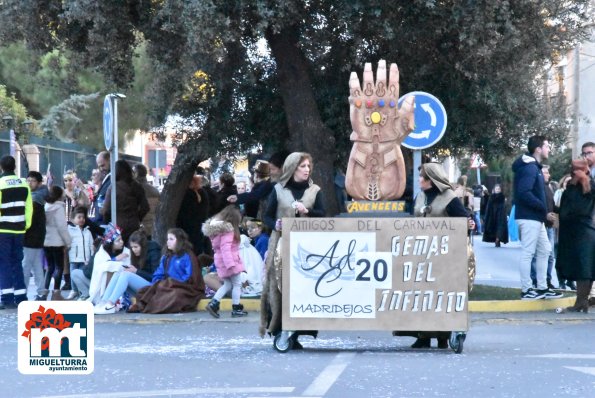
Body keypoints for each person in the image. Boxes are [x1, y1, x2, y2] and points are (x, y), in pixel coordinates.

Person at [394, 162, 475, 349]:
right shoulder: (420, 196)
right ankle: (423, 335)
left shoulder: (449, 198)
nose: (419, 180)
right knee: (421, 294)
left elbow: (462, 220)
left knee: (440, 295)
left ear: (431, 179)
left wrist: (468, 224)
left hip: (444, 256)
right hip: (420, 253)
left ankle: (442, 336)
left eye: (422, 177)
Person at [259, 152, 325, 345]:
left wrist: (308, 212)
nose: (306, 170)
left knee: (304, 288)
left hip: (307, 246)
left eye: (308, 166)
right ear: (292, 168)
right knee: (280, 287)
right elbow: (267, 216)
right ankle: (279, 330)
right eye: (302, 166)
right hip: (281, 244)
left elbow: (323, 214)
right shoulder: (278, 190)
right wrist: (276, 224)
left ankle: (297, 332)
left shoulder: (315, 190)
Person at [512, 135, 561, 300]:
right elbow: (523, 193)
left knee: (545, 250)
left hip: (535, 217)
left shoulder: (534, 167)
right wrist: (542, 207)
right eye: (546, 146)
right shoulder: (530, 168)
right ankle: (526, 290)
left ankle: (542, 287)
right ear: (538, 149)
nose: (549, 149)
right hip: (529, 217)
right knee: (528, 252)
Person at [128, 228, 205, 314]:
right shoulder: (166, 257)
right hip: (166, 286)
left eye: (171, 239)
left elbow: (190, 276)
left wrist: (173, 283)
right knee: (143, 291)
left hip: (184, 287)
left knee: (175, 295)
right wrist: (159, 283)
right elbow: (158, 273)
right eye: (168, 239)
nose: (168, 241)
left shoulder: (187, 256)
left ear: (179, 241)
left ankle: (148, 307)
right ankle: (144, 305)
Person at [555, 159, 595, 312]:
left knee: (584, 267)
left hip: (582, 231)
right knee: (584, 267)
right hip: (579, 231)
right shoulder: (575, 187)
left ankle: (581, 302)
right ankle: (582, 302)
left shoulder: (586, 187)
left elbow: (571, 208)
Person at [94, 230, 162, 314]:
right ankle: (103, 302)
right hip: (143, 288)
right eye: (132, 247)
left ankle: (110, 304)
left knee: (126, 275)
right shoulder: (136, 254)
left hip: (153, 288)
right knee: (118, 272)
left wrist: (136, 271)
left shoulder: (154, 252)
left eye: (136, 247)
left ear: (143, 246)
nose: (133, 250)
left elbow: (155, 277)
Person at [203, 205, 249, 318]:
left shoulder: (216, 230)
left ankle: (214, 303)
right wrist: (231, 264)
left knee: (228, 284)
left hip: (220, 261)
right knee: (237, 284)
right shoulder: (228, 231)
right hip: (229, 261)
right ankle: (236, 308)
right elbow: (226, 248)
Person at [0, 156, 33, 309]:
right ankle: (21, 295)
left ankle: (7, 297)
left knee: (4, 263)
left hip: (3, 230)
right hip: (19, 229)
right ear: (14, 167)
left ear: (1, 167)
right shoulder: (24, 184)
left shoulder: (0, 184)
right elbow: (29, 208)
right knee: (17, 262)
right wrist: (25, 225)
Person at [102, 160, 150, 244]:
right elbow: (145, 207)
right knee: (133, 250)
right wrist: (137, 218)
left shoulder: (113, 187)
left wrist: (107, 221)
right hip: (134, 226)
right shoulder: (137, 186)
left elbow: (105, 210)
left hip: (116, 227)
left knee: (115, 250)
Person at [87, 224, 131, 304]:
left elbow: (128, 266)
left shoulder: (125, 251)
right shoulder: (101, 253)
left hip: (121, 284)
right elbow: (101, 267)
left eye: (121, 239)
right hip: (102, 288)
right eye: (118, 240)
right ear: (111, 243)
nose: (122, 242)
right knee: (109, 268)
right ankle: (105, 298)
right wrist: (115, 260)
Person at [530, 165, 557, 289]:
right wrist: (545, 215)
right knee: (537, 255)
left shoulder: (549, 188)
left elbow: (552, 205)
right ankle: (536, 280)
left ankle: (547, 279)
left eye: (548, 173)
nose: (548, 175)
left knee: (550, 255)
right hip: (540, 225)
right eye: (546, 173)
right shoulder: (536, 189)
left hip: (550, 226)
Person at [42, 186, 72, 300]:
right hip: (57, 242)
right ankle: (56, 293)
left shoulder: (46, 206)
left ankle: (44, 291)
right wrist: (68, 242)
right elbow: (62, 227)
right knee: (59, 267)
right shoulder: (59, 208)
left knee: (49, 267)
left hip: (46, 241)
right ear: (59, 195)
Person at [23, 171, 47, 301]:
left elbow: (28, 220)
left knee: (26, 265)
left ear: (39, 183)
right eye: (28, 180)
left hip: (31, 237)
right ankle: (41, 292)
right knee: (37, 265)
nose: (29, 183)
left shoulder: (34, 199)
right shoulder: (41, 196)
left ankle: (22, 292)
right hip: (38, 237)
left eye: (32, 181)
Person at [177, 175, 210, 255]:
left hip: (187, 227)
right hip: (200, 225)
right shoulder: (202, 193)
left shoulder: (185, 194)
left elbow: (184, 213)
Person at [66, 207, 94, 300]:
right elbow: (67, 243)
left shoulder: (87, 231)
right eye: (79, 217)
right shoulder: (70, 230)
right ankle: (74, 290)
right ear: (73, 220)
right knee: (73, 275)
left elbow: (91, 245)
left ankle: (81, 291)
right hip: (74, 258)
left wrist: (91, 256)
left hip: (85, 259)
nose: (81, 219)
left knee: (82, 275)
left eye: (83, 217)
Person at [133, 164, 160, 239]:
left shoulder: (135, 190)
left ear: (136, 174)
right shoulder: (155, 190)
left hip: (140, 229)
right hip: (152, 228)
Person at [92, 151, 111, 224]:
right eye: (99, 166)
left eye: (103, 165)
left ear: (110, 160)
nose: (101, 169)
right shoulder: (107, 178)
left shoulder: (113, 178)